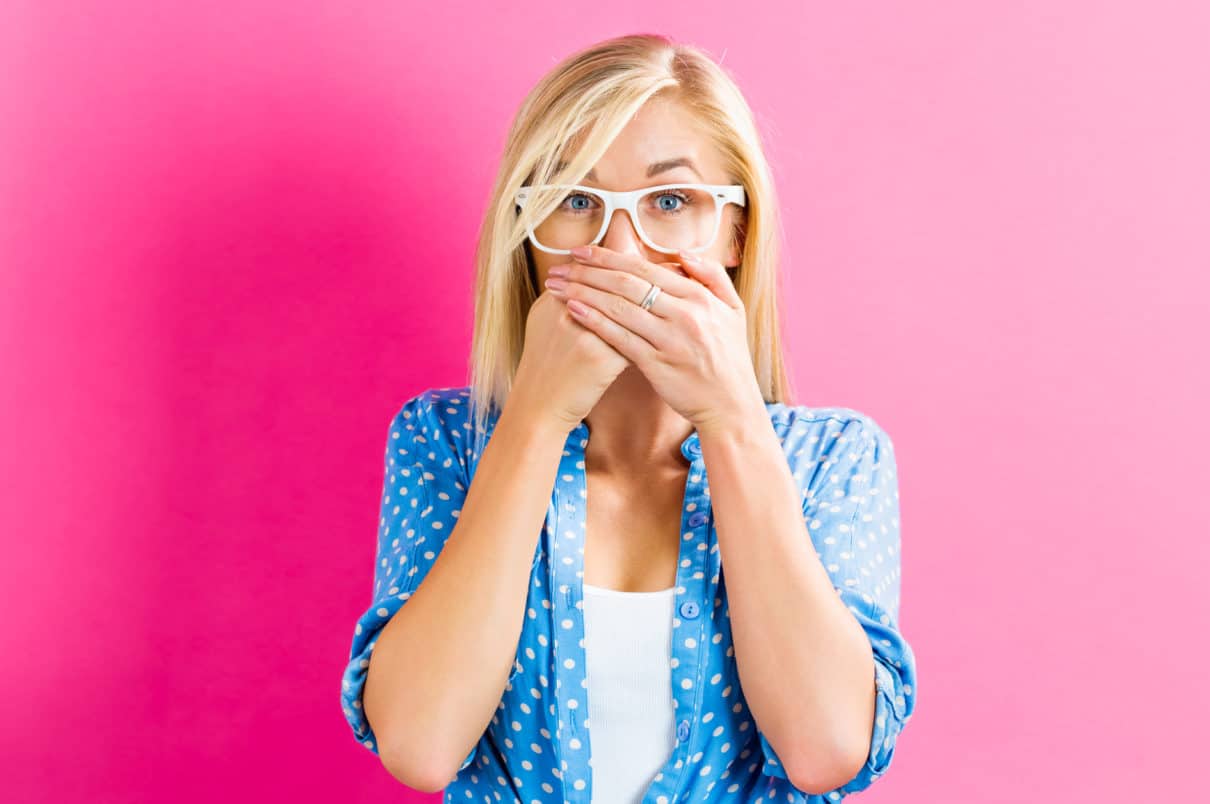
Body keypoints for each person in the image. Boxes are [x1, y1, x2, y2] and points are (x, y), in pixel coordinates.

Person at [339, 32, 917, 803]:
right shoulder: (444, 442)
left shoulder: (834, 458)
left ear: (737, 232)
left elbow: (826, 751)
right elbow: (420, 744)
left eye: (670, 201)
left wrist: (731, 416)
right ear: (528, 235)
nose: (619, 246)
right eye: (576, 200)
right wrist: (537, 419)